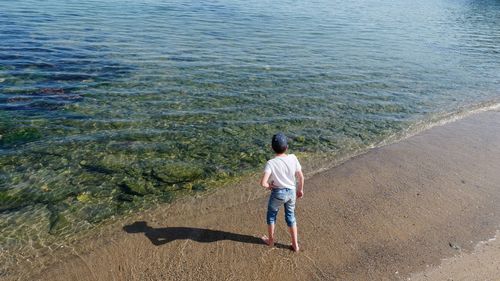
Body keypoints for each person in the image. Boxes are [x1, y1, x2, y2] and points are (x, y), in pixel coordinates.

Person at [260, 133, 304, 252]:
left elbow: (263, 183)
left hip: (278, 193)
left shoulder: (271, 163)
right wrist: (300, 190)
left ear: (271, 148)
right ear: (287, 147)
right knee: (290, 217)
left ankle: (271, 241)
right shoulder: (293, 158)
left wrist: (270, 186)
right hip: (291, 192)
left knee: (271, 215)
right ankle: (295, 245)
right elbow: (301, 177)